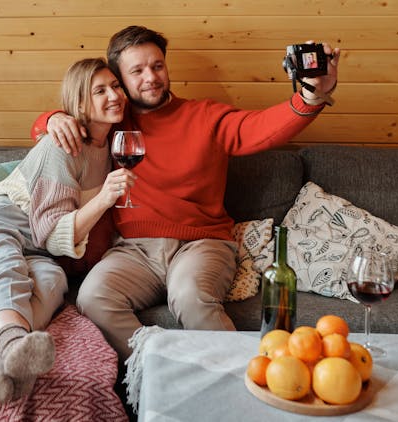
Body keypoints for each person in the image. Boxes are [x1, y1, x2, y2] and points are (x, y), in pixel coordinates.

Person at [31, 26, 340, 362]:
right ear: (120, 80)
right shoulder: (113, 120)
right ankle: (158, 369)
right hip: (135, 251)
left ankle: (245, 380)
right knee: (92, 297)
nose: (150, 77)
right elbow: (63, 127)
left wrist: (311, 95)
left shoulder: (205, 116)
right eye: (136, 71)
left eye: (157, 66)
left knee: (190, 296)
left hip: (202, 243)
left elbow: (262, 129)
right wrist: (51, 119)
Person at [0, 57, 134, 404]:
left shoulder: (111, 145)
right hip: (1, 224)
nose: (115, 94)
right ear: (79, 104)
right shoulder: (62, 145)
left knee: (52, 286)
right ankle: (9, 346)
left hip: (41, 248)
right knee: (3, 269)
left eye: (115, 86)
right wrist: (105, 199)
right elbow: (54, 231)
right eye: (100, 90)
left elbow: (53, 241)